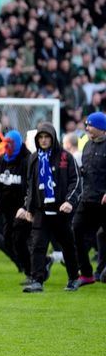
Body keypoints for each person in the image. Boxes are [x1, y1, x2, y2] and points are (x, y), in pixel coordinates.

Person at [17, 123, 82, 292]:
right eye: (41, 137)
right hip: (40, 210)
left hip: (61, 210)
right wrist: (28, 208)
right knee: (38, 245)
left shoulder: (66, 157)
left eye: (47, 137)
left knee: (68, 245)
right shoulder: (34, 158)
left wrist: (69, 201)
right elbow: (31, 186)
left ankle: (74, 277)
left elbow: (76, 182)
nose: (44, 140)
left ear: (53, 138)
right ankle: (37, 280)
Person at [0, 130, 33, 284]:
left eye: (11, 143)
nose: (7, 146)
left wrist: (25, 206)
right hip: (7, 210)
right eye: (6, 143)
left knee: (19, 239)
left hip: (22, 210)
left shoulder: (27, 161)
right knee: (8, 241)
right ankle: (40, 263)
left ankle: (32, 272)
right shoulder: (1, 160)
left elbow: (31, 186)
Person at [72, 112, 106, 287]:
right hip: (87, 198)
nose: (86, 128)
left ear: (101, 128)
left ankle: (101, 270)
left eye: (90, 125)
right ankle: (86, 273)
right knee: (75, 229)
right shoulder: (87, 146)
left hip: (103, 200)